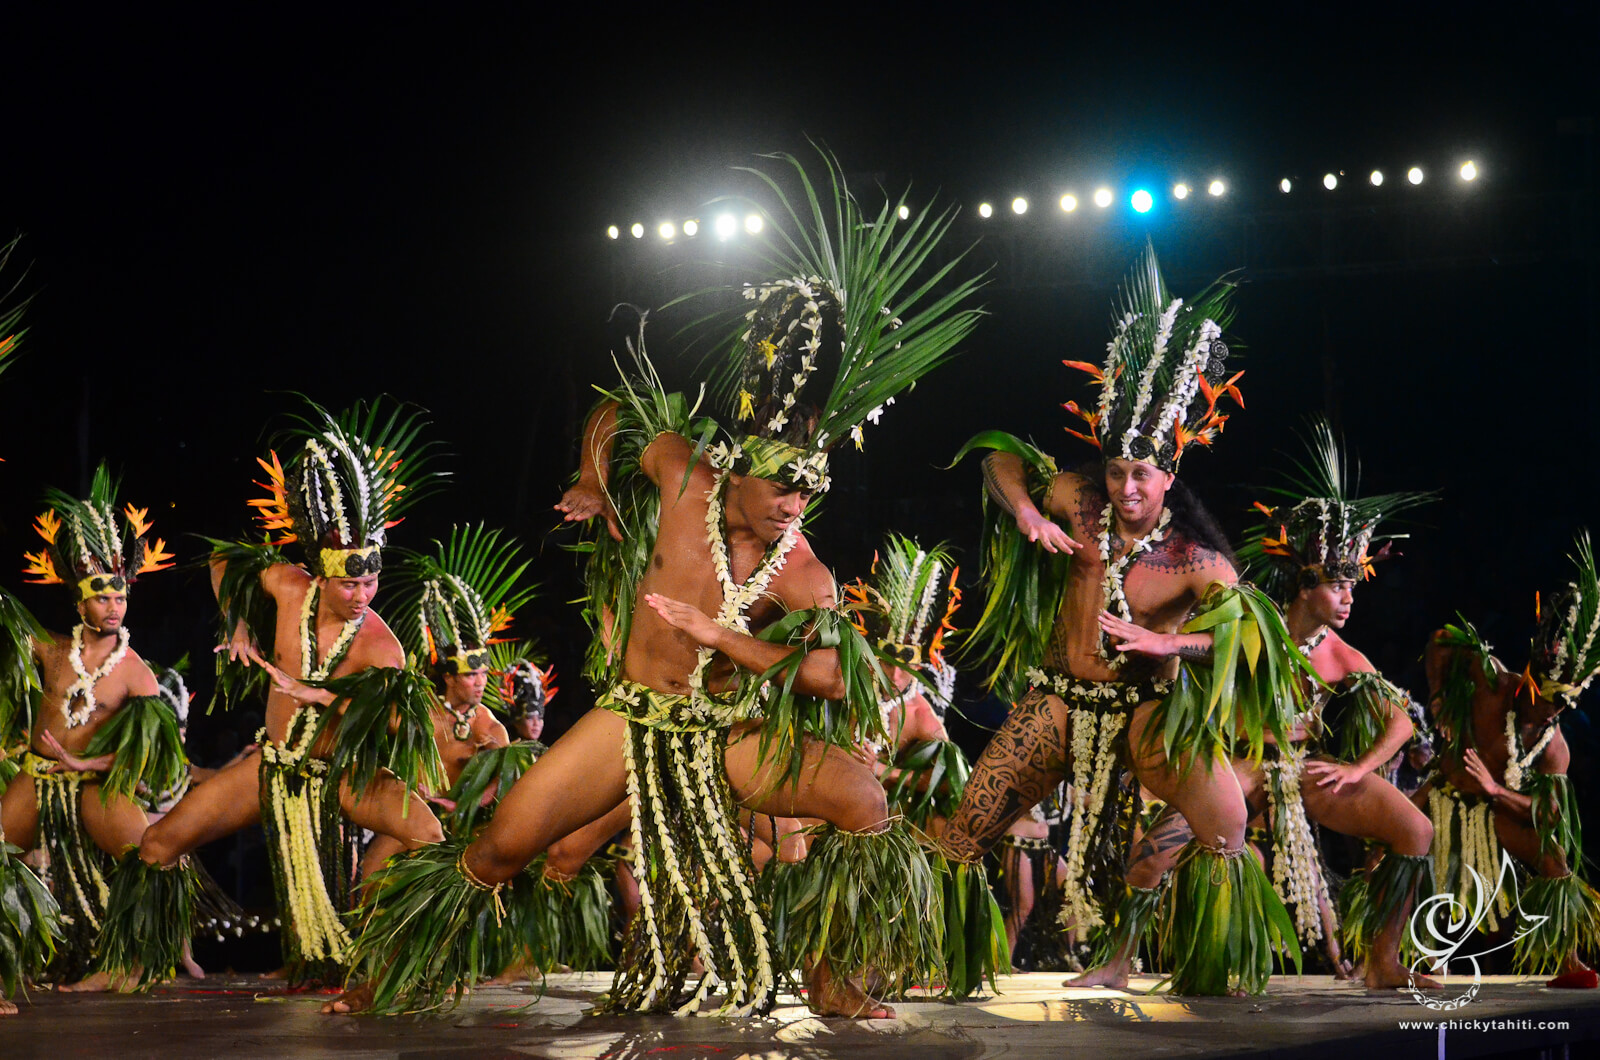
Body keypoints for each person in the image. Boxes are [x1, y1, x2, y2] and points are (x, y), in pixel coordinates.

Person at [343, 152, 983, 1018]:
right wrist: (592, 482)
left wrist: (728, 640)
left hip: (727, 732)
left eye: (810, 490)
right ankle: (388, 972)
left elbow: (840, 675)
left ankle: (838, 975)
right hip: (634, 719)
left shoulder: (802, 570)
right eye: (781, 488)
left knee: (865, 797)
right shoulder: (686, 480)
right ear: (738, 471)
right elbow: (617, 412)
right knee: (505, 845)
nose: (795, 505)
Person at [943, 244, 1308, 995]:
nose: (1126, 485)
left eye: (1141, 472)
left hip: (1144, 710)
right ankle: (940, 963)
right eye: (1116, 469)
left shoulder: (1195, 560)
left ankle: (1136, 961)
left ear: (1169, 473)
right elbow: (999, 460)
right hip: (1058, 701)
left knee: (1226, 824)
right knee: (965, 828)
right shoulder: (1078, 500)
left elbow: (1253, 639)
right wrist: (1022, 514)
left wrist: (1166, 641)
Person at [91, 399, 448, 989]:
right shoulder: (287, 587)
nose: (362, 594)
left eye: (370, 580)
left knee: (428, 833)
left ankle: (401, 966)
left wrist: (320, 699)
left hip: (337, 776)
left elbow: (388, 725)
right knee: (157, 844)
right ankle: (131, 966)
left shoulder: (382, 648)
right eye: (349, 582)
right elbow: (222, 561)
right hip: (270, 766)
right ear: (322, 573)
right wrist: (236, 620)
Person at [1074, 420, 1439, 989]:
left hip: (1299, 771)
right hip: (1238, 762)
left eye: (1352, 586)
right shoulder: (1251, 618)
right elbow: (1199, 651)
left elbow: (1399, 724)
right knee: (1151, 856)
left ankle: (1385, 962)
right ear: (1303, 582)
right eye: (1337, 585)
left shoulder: (1341, 655)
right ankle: (1119, 964)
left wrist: (1357, 768)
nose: (1348, 598)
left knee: (1416, 831)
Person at [4, 467, 189, 987]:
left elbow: (157, 755)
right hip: (38, 777)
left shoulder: (137, 674)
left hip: (90, 783)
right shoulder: (50, 649)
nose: (113, 608)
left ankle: (130, 966)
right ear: (79, 601)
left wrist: (91, 763)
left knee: (150, 855)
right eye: (103, 598)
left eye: (121, 598)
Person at [1417, 534, 1600, 989]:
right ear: (1531, 683)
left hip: (1496, 809)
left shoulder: (1555, 745)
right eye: (1544, 702)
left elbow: (1549, 814)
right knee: (1396, 854)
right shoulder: (1495, 681)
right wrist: (1438, 700)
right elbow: (1442, 637)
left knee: (1556, 862)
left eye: (1561, 707)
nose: (1550, 713)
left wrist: (1496, 790)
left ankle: (1569, 961)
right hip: (1446, 793)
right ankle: (1418, 961)